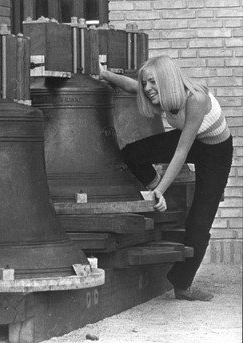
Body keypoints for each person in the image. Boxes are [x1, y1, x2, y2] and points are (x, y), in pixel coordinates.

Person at [100, 55, 233, 301]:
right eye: (145, 83)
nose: (147, 89)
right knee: (132, 153)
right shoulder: (161, 96)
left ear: (167, 80)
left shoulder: (196, 99)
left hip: (215, 152)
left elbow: (181, 152)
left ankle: (183, 285)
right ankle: (157, 191)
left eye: (152, 82)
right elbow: (131, 86)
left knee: (199, 223)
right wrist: (105, 75)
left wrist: (161, 189)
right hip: (190, 140)